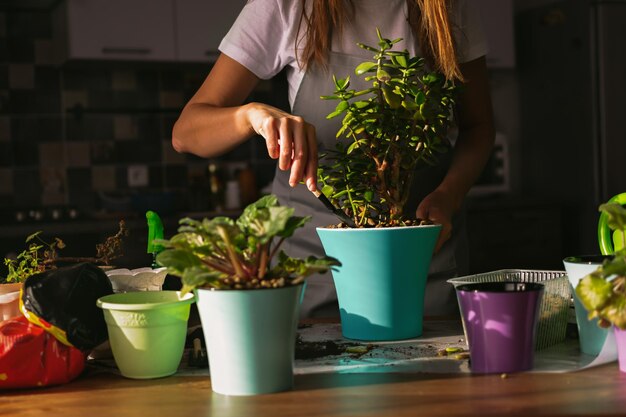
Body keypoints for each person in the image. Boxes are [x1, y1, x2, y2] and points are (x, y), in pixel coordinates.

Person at [172, 0, 495, 318]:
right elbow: (187, 134)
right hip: (315, 257)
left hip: (423, 249)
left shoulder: (446, 8)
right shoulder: (289, 6)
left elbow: (478, 127)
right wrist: (249, 115)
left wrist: (447, 196)